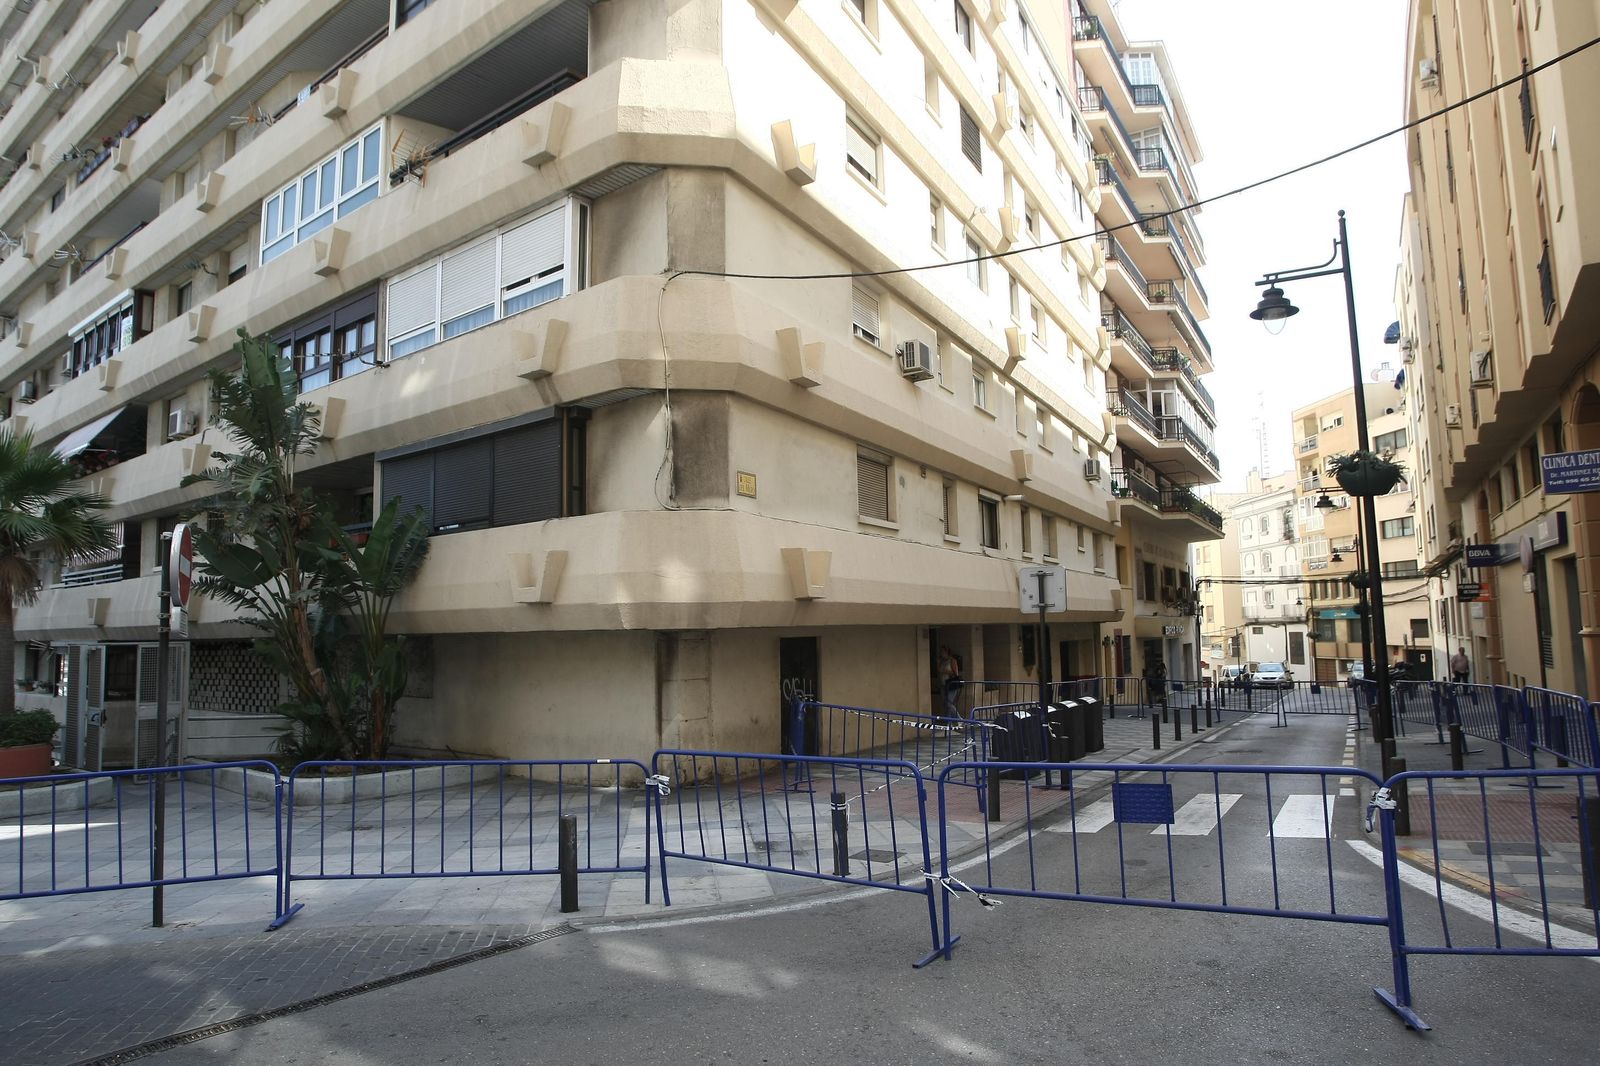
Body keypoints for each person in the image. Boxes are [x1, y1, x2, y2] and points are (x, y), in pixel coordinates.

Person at [940, 648, 963, 720]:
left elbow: (956, 673)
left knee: (949, 703)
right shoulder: (942, 661)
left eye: (943, 652)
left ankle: (959, 719)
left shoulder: (952, 660)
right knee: (945, 703)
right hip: (943, 684)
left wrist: (947, 672)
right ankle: (948, 721)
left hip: (951, 684)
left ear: (947, 652)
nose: (941, 654)